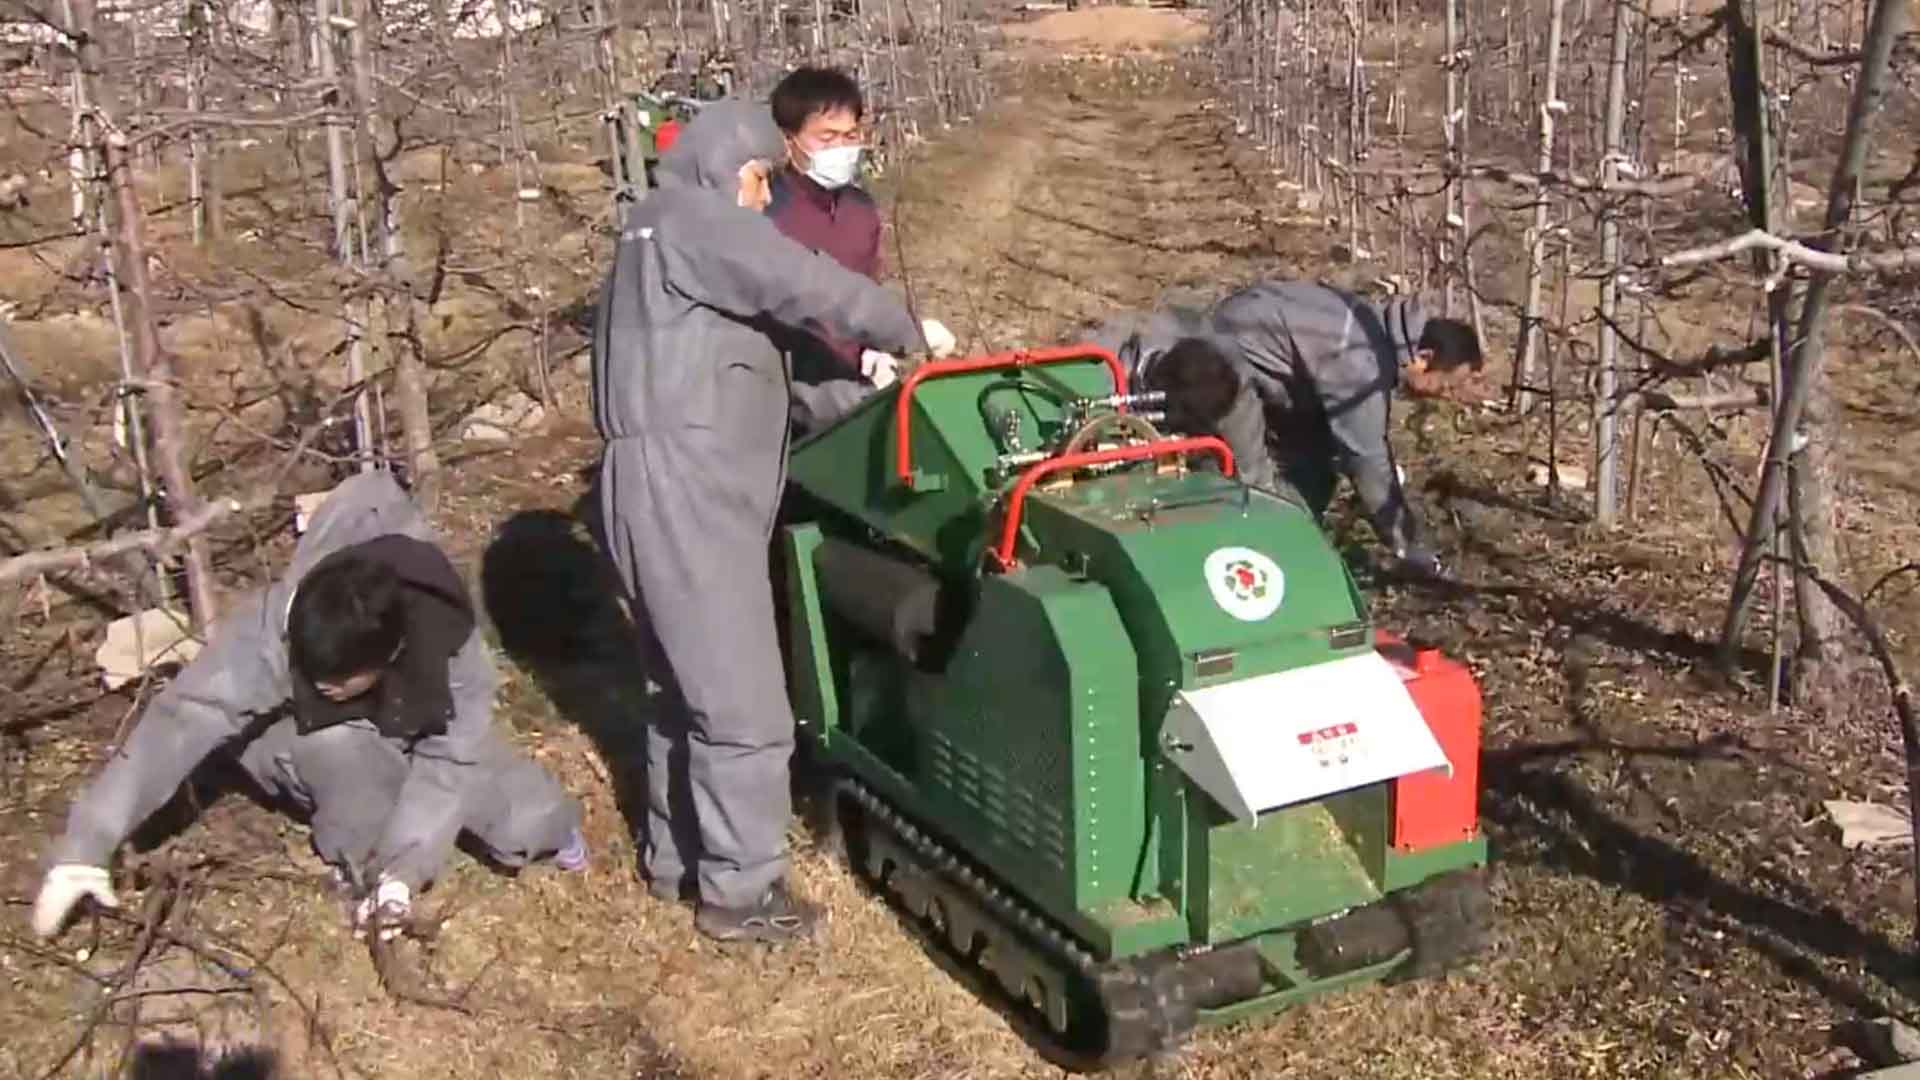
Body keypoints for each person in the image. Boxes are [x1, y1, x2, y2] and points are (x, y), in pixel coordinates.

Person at [589, 98, 954, 945]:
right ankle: (742, 896)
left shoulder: (654, 238)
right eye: (761, 180)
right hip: (690, 484)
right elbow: (798, 280)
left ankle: (679, 860)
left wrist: (855, 386)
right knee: (745, 703)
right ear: (730, 167)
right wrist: (902, 326)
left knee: (682, 686)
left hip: (651, 476)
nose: (764, 201)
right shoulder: (695, 218)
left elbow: (747, 362)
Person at [31, 471, 586, 944]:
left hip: (416, 717)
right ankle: (364, 865)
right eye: (311, 675)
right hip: (328, 738)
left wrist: (407, 867)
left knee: (521, 817)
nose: (322, 686)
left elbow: (451, 760)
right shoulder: (281, 623)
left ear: (390, 653)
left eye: (337, 683)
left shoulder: (448, 638)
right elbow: (186, 715)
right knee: (338, 758)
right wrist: (89, 841)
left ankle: (556, 835)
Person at [1086, 280, 1484, 576]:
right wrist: (1407, 545)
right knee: (1253, 487)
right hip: (1222, 370)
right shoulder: (1359, 360)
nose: (1444, 396)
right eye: (1446, 385)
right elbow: (1367, 459)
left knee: (1316, 464)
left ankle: (1287, 532)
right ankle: (1243, 558)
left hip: (1254, 362)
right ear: (1424, 357)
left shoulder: (1363, 320)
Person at [763, 65, 896, 435]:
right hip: (788, 382)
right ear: (789, 140)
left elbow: (868, 286)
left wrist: (875, 349)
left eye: (850, 136)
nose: (841, 148)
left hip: (854, 372)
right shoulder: (767, 210)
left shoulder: (859, 209)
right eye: (827, 138)